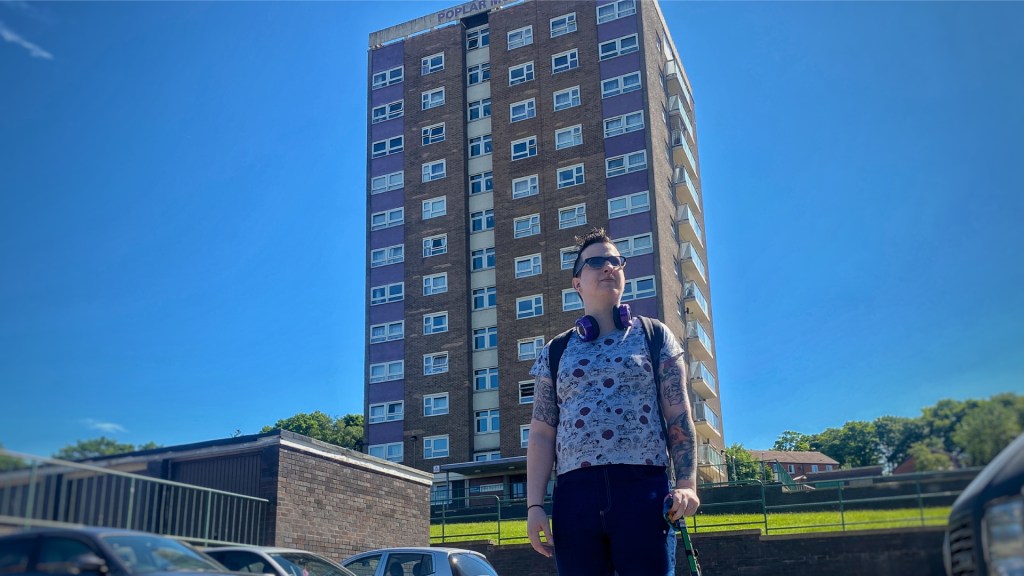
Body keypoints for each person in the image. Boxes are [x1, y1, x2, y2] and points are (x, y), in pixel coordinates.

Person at [526, 228, 700, 576]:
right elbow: (542, 432)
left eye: (614, 261)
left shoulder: (654, 335)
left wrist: (686, 485)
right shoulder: (556, 351)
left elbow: (678, 414)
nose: (608, 267)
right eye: (595, 262)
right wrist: (534, 505)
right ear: (577, 283)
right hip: (575, 496)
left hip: (643, 489)